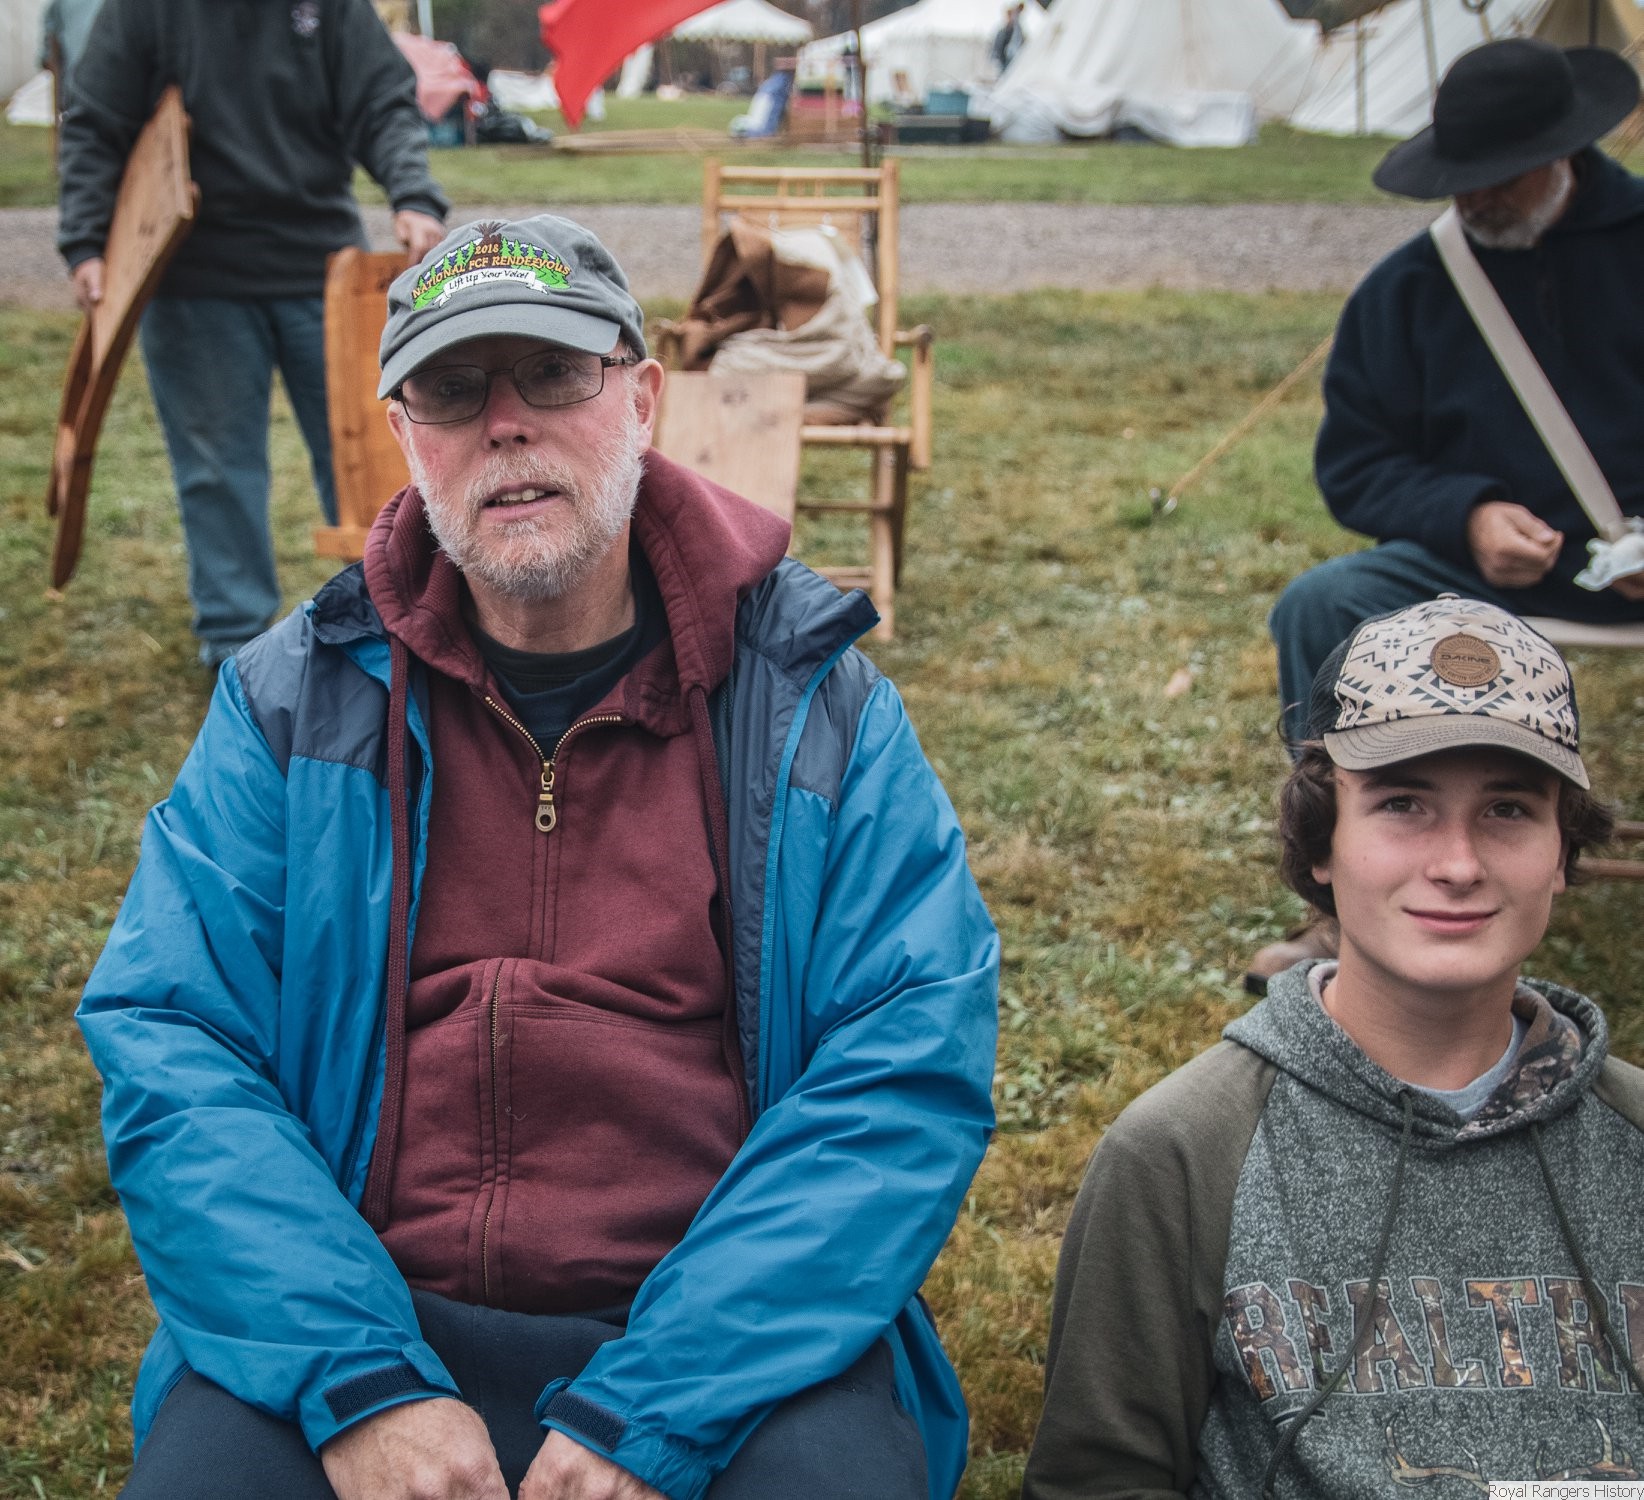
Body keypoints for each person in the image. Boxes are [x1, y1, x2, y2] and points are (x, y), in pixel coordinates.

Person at [77, 213, 999, 1500]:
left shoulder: (814, 705)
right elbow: (174, 1042)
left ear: (643, 398)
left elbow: (902, 1069)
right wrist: (362, 1381)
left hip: (717, 1327)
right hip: (363, 1310)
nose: (506, 424)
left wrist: (657, 1407)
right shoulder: (291, 703)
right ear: (405, 435)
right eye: (454, 389)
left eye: (555, 373)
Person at [1023, 594, 1644, 1499]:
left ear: (1562, 852)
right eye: (1402, 804)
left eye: (1508, 809)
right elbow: (1098, 1480)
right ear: (1322, 842)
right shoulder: (1182, 1156)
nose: (1458, 864)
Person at [1252, 36, 1644, 986]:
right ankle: (1344, 911)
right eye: (1461, 179)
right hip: (1477, 574)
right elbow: (1356, 463)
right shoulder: (1411, 288)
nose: (1476, 201)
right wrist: (1466, 516)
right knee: (1322, 605)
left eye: (1500, 178)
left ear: (1564, 153)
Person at [56, 0, 448, 669]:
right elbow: (96, 120)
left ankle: (406, 624)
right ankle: (235, 651)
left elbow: (381, 98)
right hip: (191, 277)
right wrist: (87, 242)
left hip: (322, 267)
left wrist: (412, 193)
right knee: (217, 470)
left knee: (379, 457)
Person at [991, 3, 1026, 73]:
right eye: (1009, 15)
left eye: (1012, 15)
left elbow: (1020, 45)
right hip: (1003, 64)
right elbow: (996, 48)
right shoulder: (1001, 32)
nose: (1011, 18)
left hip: (1014, 63)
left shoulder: (1017, 31)